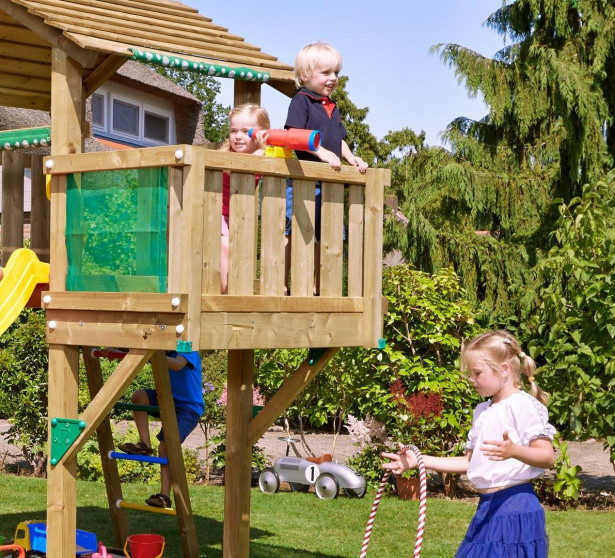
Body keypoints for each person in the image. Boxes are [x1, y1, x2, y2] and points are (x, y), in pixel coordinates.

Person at [382, 330, 556, 558]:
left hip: (515, 509)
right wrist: (419, 460)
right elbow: (469, 462)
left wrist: (514, 451)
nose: (471, 379)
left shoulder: (523, 406)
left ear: (504, 370)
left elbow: (547, 456)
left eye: (477, 373)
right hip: (488, 508)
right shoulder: (482, 411)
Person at [284, 41, 368, 293]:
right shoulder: (302, 101)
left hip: (327, 182)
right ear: (305, 75)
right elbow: (294, 133)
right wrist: (320, 152)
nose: (333, 78)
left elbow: (338, 139)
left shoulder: (332, 106)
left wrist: (351, 158)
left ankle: (319, 286)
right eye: (326, 73)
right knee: (295, 230)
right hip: (303, 179)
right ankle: (282, 282)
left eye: (336, 73)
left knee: (328, 234)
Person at [118, 350, 204, 509]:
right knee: (139, 397)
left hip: (188, 409)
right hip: (166, 398)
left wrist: (152, 354)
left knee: (166, 445)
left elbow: (178, 365)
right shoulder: (160, 352)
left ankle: (164, 495)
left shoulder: (187, 347)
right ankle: (144, 445)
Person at [218, 104, 269, 293]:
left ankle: (237, 291)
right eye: (233, 131)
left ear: (260, 134)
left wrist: (265, 150)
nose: (238, 136)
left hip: (238, 215)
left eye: (246, 131)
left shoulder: (264, 155)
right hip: (217, 213)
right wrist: (260, 153)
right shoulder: (226, 155)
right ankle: (224, 294)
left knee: (240, 253)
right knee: (225, 247)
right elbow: (236, 169)